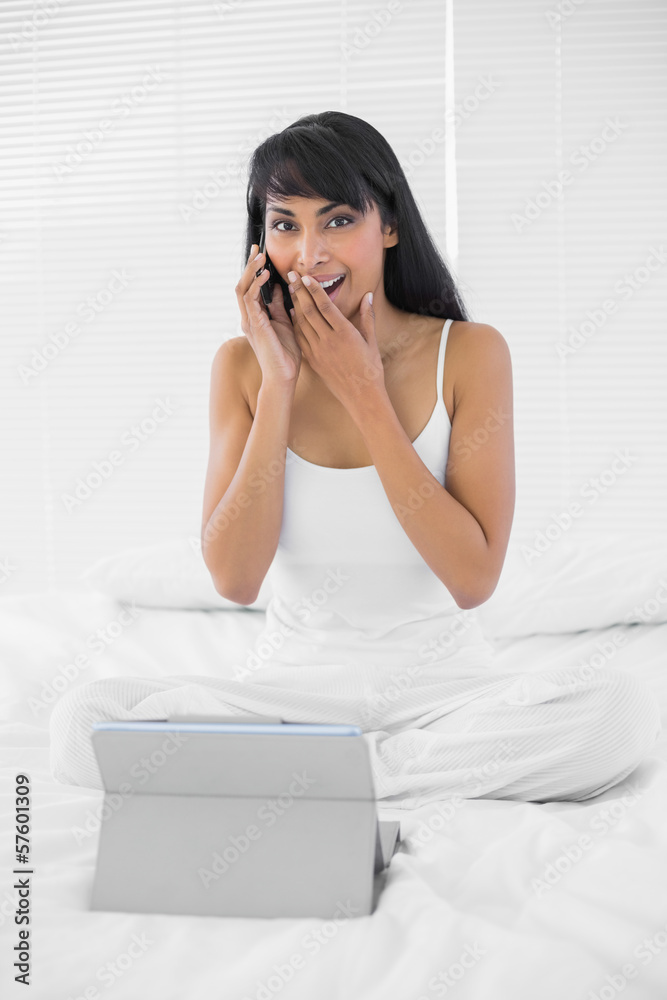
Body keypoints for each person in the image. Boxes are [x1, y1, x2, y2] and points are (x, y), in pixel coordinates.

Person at [49, 112, 661, 806]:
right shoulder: (241, 368)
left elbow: (473, 578)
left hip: (447, 696)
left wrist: (365, 394)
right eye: (284, 225)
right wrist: (279, 382)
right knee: (81, 724)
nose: (308, 253)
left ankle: (334, 781)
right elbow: (234, 579)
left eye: (337, 220)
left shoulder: (468, 353)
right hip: (289, 699)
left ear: (389, 225)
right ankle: (368, 775)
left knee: (621, 717)